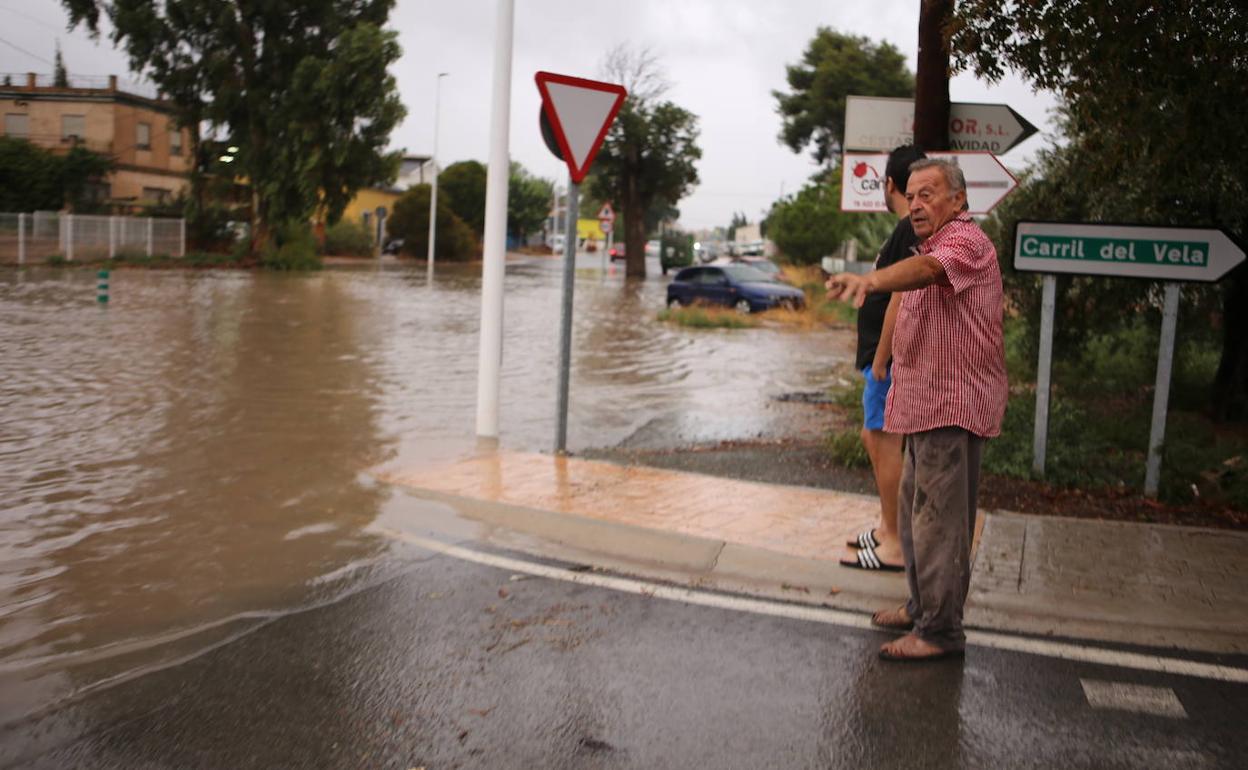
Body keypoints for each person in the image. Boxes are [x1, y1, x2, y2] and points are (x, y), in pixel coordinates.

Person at [825, 158, 1007, 662]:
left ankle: (940, 631)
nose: (918, 203)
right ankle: (921, 606)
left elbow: (927, 272)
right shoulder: (929, 247)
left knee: (939, 522)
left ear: (959, 202)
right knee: (913, 514)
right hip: (923, 406)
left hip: (952, 408)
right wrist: (882, 361)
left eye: (930, 193)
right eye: (913, 194)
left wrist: (871, 280)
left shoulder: (965, 243)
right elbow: (912, 297)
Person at [841, 145, 926, 573]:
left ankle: (894, 543)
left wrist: (881, 357)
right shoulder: (905, 230)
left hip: (885, 358)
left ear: (888, 183)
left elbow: (900, 296)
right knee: (873, 438)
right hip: (880, 355)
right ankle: (885, 527)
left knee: (884, 441)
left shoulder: (910, 229)